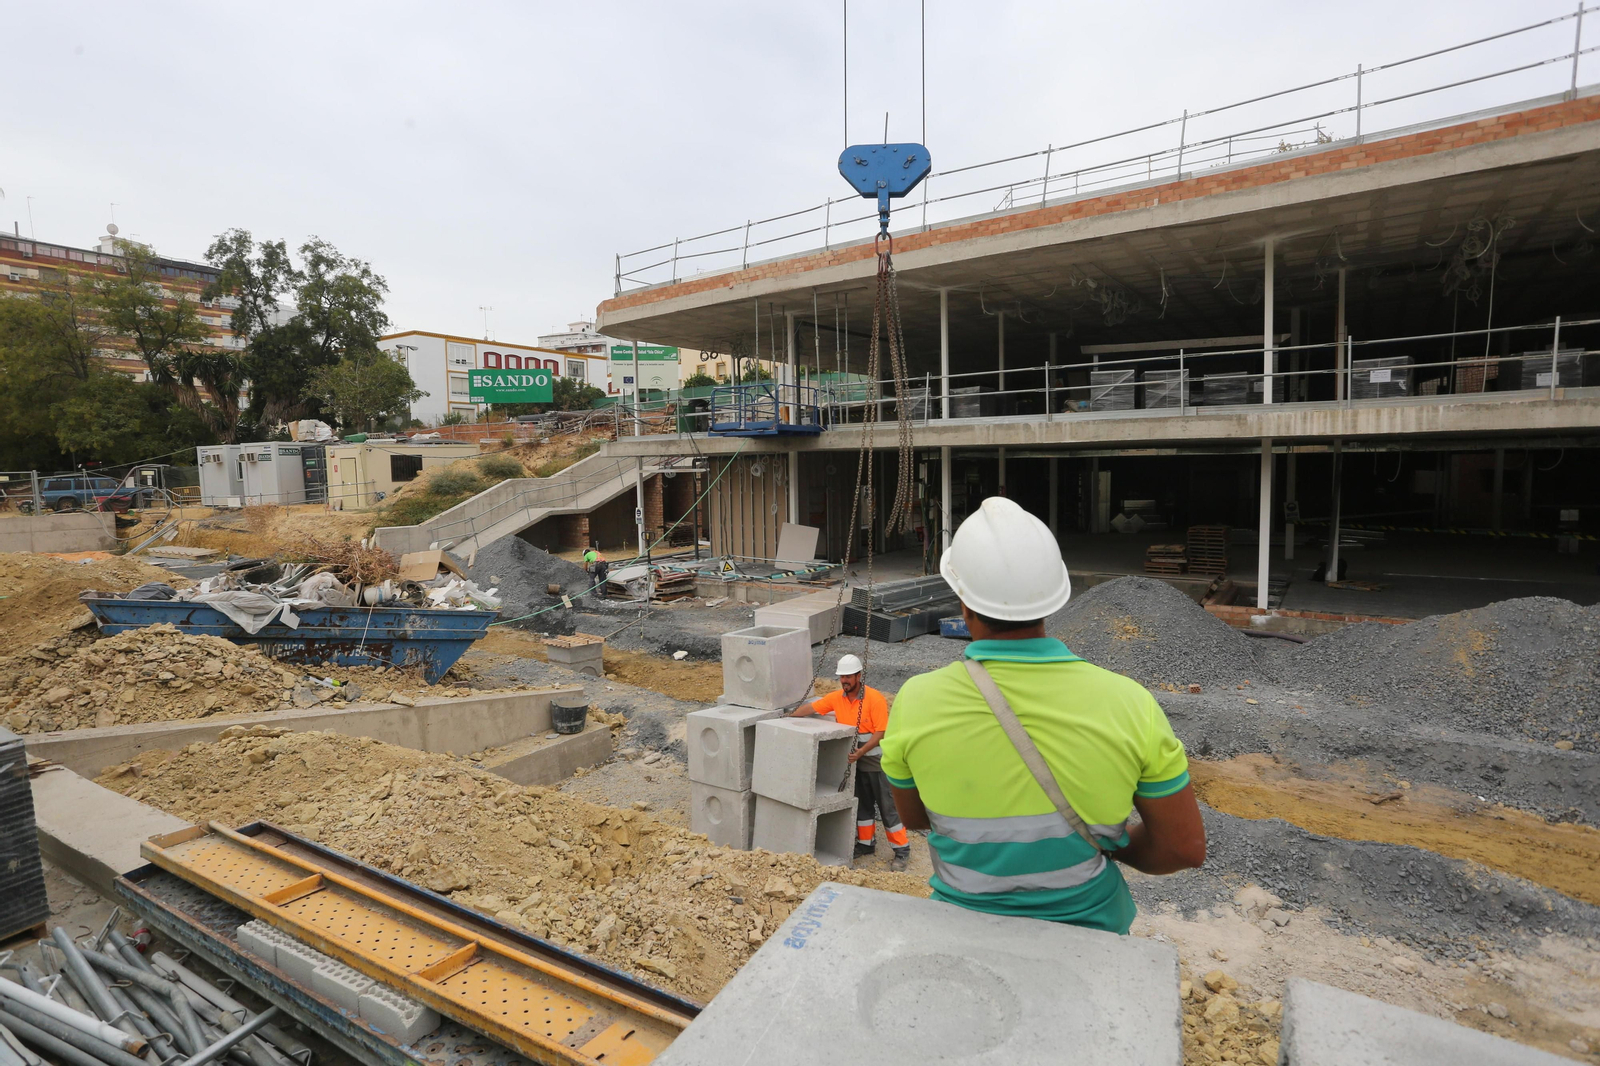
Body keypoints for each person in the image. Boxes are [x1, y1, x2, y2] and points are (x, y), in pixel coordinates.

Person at [880, 497, 1205, 933]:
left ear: (964, 600)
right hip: (1090, 936)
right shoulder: (1130, 703)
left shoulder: (916, 701)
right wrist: (1112, 845)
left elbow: (919, 819)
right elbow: (1183, 849)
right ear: (1052, 599)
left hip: (960, 928)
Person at [788, 653, 910, 871]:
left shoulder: (875, 699)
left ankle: (901, 851)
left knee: (887, 808)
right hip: (857, 764)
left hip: (878, 763)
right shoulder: (837, 698)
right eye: (841, 677)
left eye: (848, 677)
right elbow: (814, 708)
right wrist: (789, 716)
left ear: (859, 676)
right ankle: (866, 844)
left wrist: (861, 750)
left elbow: (881, 732)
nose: (844, 681)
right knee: (862, 807)